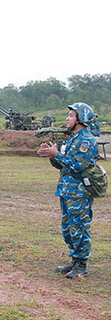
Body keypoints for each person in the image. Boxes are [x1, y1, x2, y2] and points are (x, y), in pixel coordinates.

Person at [37, 102, 101, 279]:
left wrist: (57, 154)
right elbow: (64, 166)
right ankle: (74, 260)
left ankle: (82, 265)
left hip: (79, 192)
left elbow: (78, 166)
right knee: (68, 228)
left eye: (72, 115)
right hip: (67, 190)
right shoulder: (73, 138)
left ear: (80, 119)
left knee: (79, 226)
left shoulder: (86, 141)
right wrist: (52, 155)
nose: (67, 118)